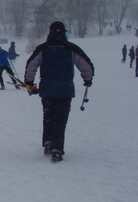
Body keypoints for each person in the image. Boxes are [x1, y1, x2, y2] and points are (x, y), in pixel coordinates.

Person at [24, 21, 94, 162]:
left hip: (48, 89)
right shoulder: (71, 48)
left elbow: (31, 66)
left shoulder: (43, 48)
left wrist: (30, 84)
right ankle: (57, 148)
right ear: (64, 32)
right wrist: (87, 79)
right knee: (60, 120)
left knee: (48, 116)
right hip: (64, 89)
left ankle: (48, 143)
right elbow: (86, 66)